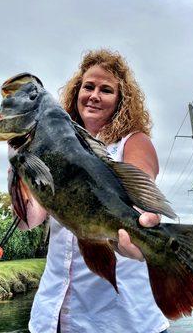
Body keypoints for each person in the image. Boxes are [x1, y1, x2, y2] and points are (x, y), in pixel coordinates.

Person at [20, 49, 170, 333]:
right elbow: (30, 219)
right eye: (88, 86)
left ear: (121, 100)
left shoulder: (133, 142)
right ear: (77, 91)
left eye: (106, 89)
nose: (94, 95)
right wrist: (21, 161)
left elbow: (140, 190)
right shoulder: (51, 150)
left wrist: (141, 225)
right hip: (52, 317)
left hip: (121, 320)